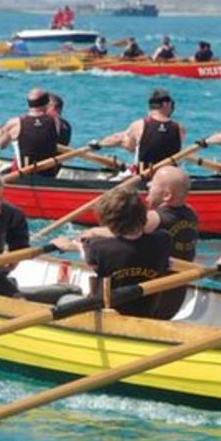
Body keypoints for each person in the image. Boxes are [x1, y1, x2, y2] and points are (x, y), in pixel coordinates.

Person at [81, 166, 198, 319]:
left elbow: (123, 231)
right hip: (176, 295)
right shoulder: (191, 214)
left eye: (153, 184)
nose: (148, 185)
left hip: (153, 298)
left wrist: (92, 233)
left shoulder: (154, 218)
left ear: (167, 195)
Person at [53, 187, 171, 318]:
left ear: (107, 222)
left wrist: (75, 244)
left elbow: (86, 256)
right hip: (145, 314)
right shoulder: (163, 240)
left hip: (107, 315)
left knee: (64, 299)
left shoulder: (98, 247)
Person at [93, 88, 186, 171]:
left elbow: (128, 145)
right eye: (171, 104)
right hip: (172, 177)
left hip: (144, 175)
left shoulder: (139, 125)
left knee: (124, 141)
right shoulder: (179, 127)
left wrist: (98, 144)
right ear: (165, 104)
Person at [0, 88, 66, 177]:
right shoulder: (56, 121)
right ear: (46, 103)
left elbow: (1, 145)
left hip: (24, 176)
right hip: (49, 176)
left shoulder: (15, 123)